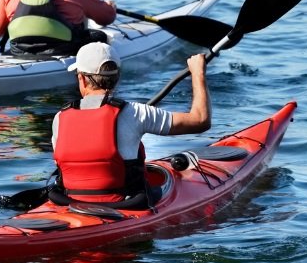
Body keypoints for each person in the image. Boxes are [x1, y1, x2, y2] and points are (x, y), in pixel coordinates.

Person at [50, 42, 211, 209]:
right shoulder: (135, 113)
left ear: (81, 78)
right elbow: (200, 120)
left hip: (70, 204)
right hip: (124, 205)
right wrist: (198, 73)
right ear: (117, 77)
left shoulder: (60, 118)